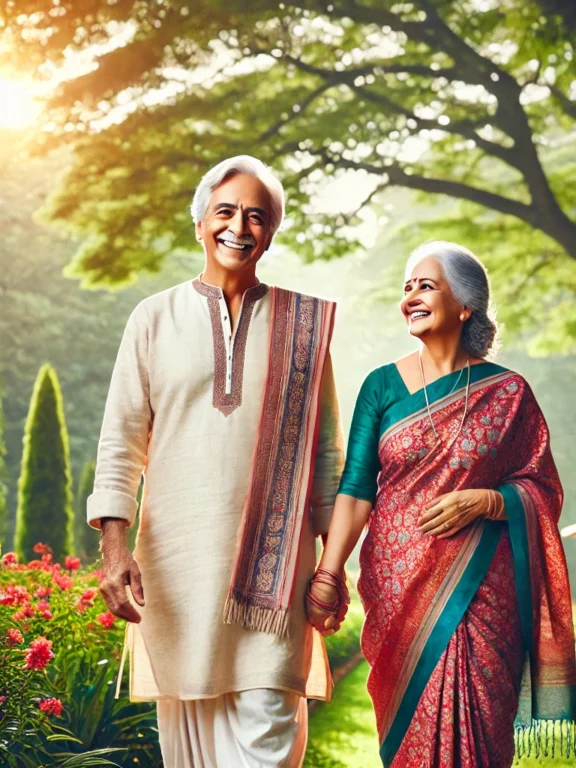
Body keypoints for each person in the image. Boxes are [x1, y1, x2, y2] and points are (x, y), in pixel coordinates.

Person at [88, 155, 344, 768]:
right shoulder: (153, 318)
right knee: (190, 750)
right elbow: (121, 441)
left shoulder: (304, 327)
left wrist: (333, 566)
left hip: (275, 576)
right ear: (201, 222)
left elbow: (328, 456)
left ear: (272, 232)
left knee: (268, 743)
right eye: (226, 211)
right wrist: (115, 550)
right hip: (178, 574)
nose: (240, 226)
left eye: (257, 216)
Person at [306, 241, 576, 767]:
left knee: (481, 726)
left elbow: (542, 486)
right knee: (409, 728)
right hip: (397, 585)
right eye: (407, 287)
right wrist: (328, 569)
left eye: (425, 285)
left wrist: (488, 501)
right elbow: (357, 488)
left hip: (484, 593)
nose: (411, 296)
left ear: (465, 304)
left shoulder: (509, 392)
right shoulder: (381, 386)